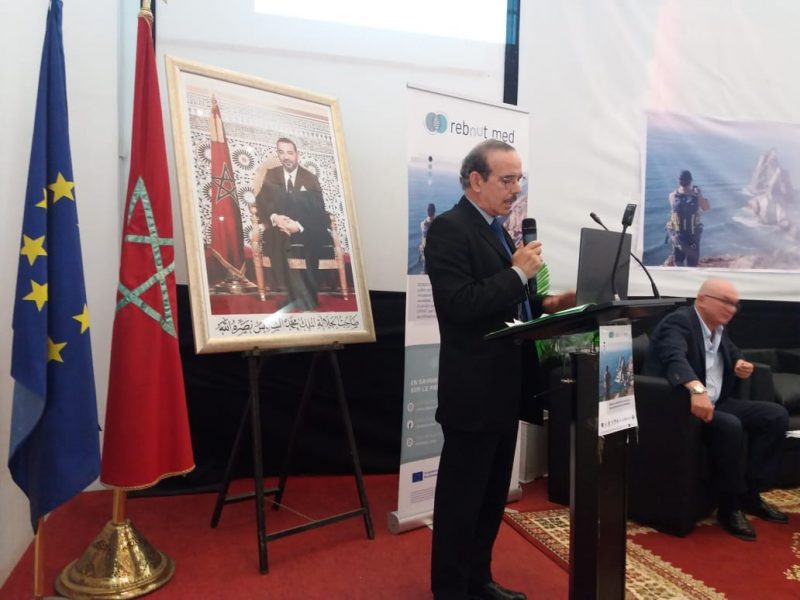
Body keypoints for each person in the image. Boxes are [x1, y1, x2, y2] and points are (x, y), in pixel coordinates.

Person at [424, 139, 575, 599]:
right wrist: (517, 274)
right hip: (472, 391)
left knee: (491, 498)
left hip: (505, 387)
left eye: (519, 180)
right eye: (507, 180)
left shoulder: (497, 230)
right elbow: (459, 304)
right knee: (462, 499)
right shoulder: (450, 229)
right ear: (476, 180)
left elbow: (511, 304)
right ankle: (451, 589)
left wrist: (551, 304)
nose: (516, 189)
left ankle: (478, 580)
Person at [642, 278, 789, 541]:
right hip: (680, 405)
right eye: (726, 302)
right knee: (730, 426)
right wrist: (696, 390)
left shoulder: (718, 328)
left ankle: (751, 493)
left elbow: (732, 351)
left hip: (718, 401)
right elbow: (674, 356)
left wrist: (739, 363)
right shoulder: (678, 322)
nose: (732, 309)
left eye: (735, 305)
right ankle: (729, 506)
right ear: (702, 300)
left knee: (775, 416)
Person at [255, 137, 331, 310]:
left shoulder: (310, 178)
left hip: (305, 228)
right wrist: (274, 217)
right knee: (277, 241)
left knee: (313, 238)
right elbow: (261, 201)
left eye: (290, 152)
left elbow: (318, 210)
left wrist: (298, 226)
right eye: (281, 152)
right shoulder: (272, 174)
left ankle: (309, 296)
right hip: (279, 227)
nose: (286, 157)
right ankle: (289, 295)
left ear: (297, 154)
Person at [665, 170, 710, 267]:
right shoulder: (693, 196)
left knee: (682, 263)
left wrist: (698, 195)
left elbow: (705, 208)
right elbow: (706, 208)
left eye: (682, 179)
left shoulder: (673, 196)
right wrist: (699, 195)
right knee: (687, 264)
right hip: (687, 236)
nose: (683, 181)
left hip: (683, 236)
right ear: (691, 181)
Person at [419, 202, 436, 274]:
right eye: (428, 210)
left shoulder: (438, 222)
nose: (429, 211)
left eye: (431, 210)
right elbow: (424, 235)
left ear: (434, 211)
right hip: (425, 248)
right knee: (425, 266)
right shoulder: (423, 223)